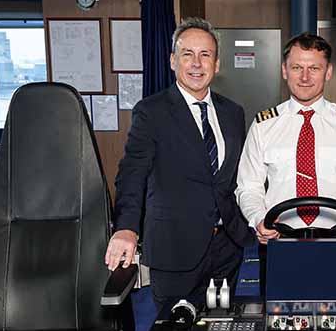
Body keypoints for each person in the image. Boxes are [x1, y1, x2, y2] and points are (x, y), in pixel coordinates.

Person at [105, 17, 251, 313]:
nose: (197, 64)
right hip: (174, 248)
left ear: (217, 64)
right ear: (173, 61)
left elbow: (237, 177)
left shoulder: (233, 113)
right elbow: (132, 174)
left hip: (226, 247)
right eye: (188, 54)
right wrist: (126, 228)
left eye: (205, 55)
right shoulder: (151, 112)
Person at [236, 33, 336, 244]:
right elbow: (248, 187)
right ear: (284, 71)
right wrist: (259, 219)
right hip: (279, 239)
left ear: (328, 72)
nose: (305, 77)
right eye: (296, 68)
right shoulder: (263, 125)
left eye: (314, 68)